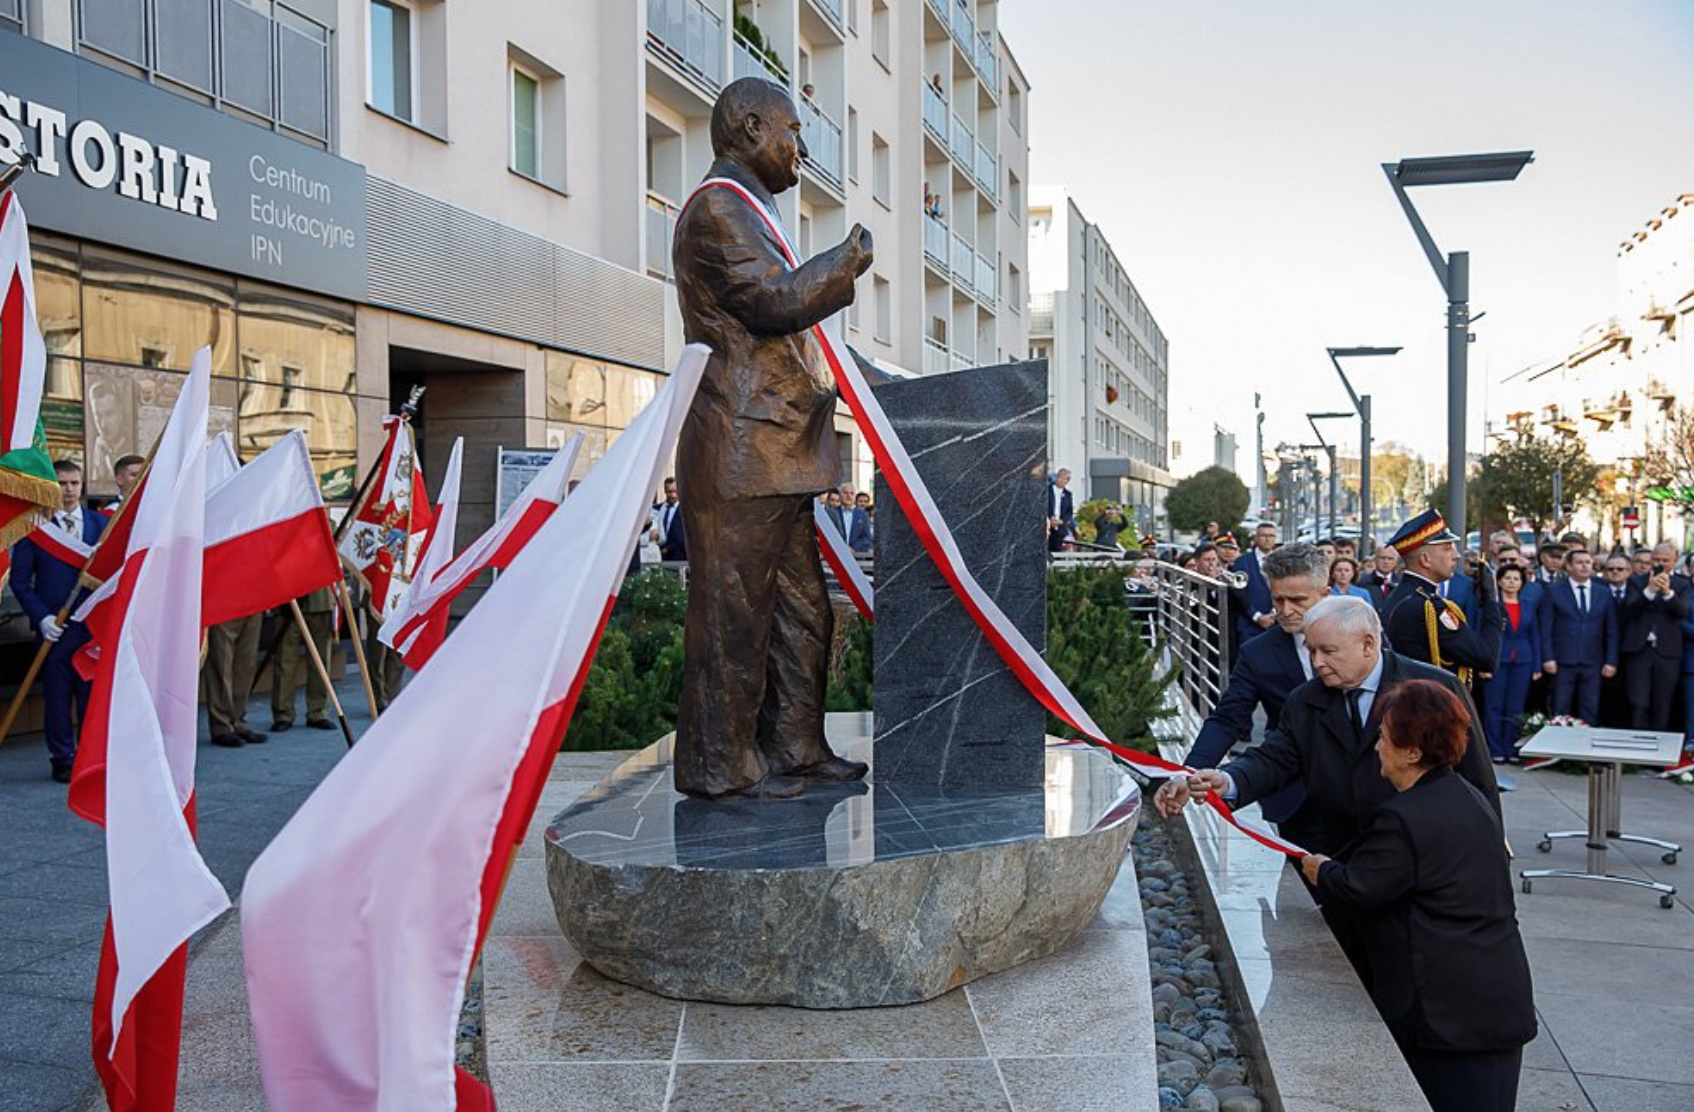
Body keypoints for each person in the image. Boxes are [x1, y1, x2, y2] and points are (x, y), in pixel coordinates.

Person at [670, 77, 873, 799]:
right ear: (752, 127)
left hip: (775, 455)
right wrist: (844, 262)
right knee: (734, 619)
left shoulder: (747, 211)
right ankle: (718, 768)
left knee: (801, 611)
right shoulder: (717, 210)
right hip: (740, 451)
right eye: (793, 131)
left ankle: (794, 748)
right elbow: (771, 301)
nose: (801, 150)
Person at [1155, 597, 1500, 978]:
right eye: (1311, 650)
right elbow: (1276, 757)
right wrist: (1228, 780)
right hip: (1344, 868)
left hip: (1419, 875)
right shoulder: (1306, 700)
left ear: (1368, 643)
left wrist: (1489, 874)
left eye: (1328, 651)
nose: (1317, 662)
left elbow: (1477, 783)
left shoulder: (1436, 689)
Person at [1300, 679, 1534, 1112]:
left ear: (1412, 752)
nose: (1376, 748)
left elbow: (1360, 888)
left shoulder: (1403, 817)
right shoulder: (1468, 796)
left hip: (1447, 1013)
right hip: (1495, 997)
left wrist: (1321, 870)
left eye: (1384, 738)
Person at [1186, 543, 1331, 849]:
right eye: (1278, 600)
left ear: (1325, 594)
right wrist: (1187, 774)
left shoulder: (1362, 635)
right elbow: (1228, 719)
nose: (1285, 610)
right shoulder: (1258, 652)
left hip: (1364, 792)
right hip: (1295, 797)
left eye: (1298, 600)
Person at [9, 460, 107, 782]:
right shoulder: (35, 528)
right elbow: (20, 582)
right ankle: (63, 757)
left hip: (91, 628)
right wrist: (42, 617)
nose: (68, 490)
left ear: (82, 485)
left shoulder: (102, 524)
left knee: (91, 696)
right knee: (58, 698)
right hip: (54, 630)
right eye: (62, 483)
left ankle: (90, 758)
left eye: (74, 483)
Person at [1382, 510, 1502, 684]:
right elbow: (1487, 658)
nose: (1456, 555)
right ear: (1425, 559)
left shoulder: (1399, 596)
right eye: (1447, 548)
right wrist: (1491, 601)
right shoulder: (1430, 607)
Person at [1537, 547, 1618, 725]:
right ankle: (1559, 741)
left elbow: (1611, 630)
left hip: (1593, 660)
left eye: (1588, 562)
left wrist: (1611, 660)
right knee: (1560, 708)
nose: (1585, 566)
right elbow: (1546, 627)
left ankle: (1586, 741)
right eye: (1580, 563)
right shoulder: (1554, 591)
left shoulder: (1603, 592)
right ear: (1568, 566)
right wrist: (1548, 657)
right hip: (1562, 660)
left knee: (1590, 708)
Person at [1619, 542, 1691, 731]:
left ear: (1674, 561)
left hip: (1668, 652)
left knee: (1663, 703)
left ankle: (1659, 745)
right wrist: (1649, 591)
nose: (1660, 564)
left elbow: (1682, 612)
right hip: (1639, 650)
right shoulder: (1636, 582)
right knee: (1638, 702)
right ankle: (1637, 743)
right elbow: (1630, 609)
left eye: (1665, 560)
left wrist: (1667, 592)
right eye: (1656, 560)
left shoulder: (1682, 584)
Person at [1482, 564, 1540, 763]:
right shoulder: (1492, 604)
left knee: (1515, 707)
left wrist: (1537, 666)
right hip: (1497, 661)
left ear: (1522, 583)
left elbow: (1535, 636)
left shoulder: (1528, 604)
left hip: (1523, 661)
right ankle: (1495, 749)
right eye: (1507, 578)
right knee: (1494, 706)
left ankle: (1511, 748)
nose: (1512, 582)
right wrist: (1483, 663)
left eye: (1516, 579)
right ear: (1499, 581)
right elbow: (1484, 633)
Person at [270, 587, 336, 732]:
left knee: (320, 662)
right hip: (288, 599)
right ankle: (283, 713)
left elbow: (341, 572)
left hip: (321, 600)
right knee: (285, 660)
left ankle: (318, 712)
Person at [649, 476, 687, 562]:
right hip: (657, 557)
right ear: (665, 491)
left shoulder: (684, 510)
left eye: (675, 491)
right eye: (670, 492)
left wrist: (668, 549)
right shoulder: (656, 509)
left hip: (677, 558)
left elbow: (681, 537)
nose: (673, 495)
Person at [1360, 544, 1399, 609]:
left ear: (1395, 562)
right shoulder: (1362, 582)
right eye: (1382, 558)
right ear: (1375, 559)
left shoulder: (1402, 584)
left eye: (1390, 558)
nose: (1386, 562)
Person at [1047, 468, 1076, 552]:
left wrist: (1062, 521)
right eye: (1059, 477)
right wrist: (1049, 519)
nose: (1060, 480)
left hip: (1060, 530)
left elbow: (1069, 512)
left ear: (1067, 480)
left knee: (1057, 551)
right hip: (1047, 527)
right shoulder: (1047, 490)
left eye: (1063, 478)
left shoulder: (1068, 494)